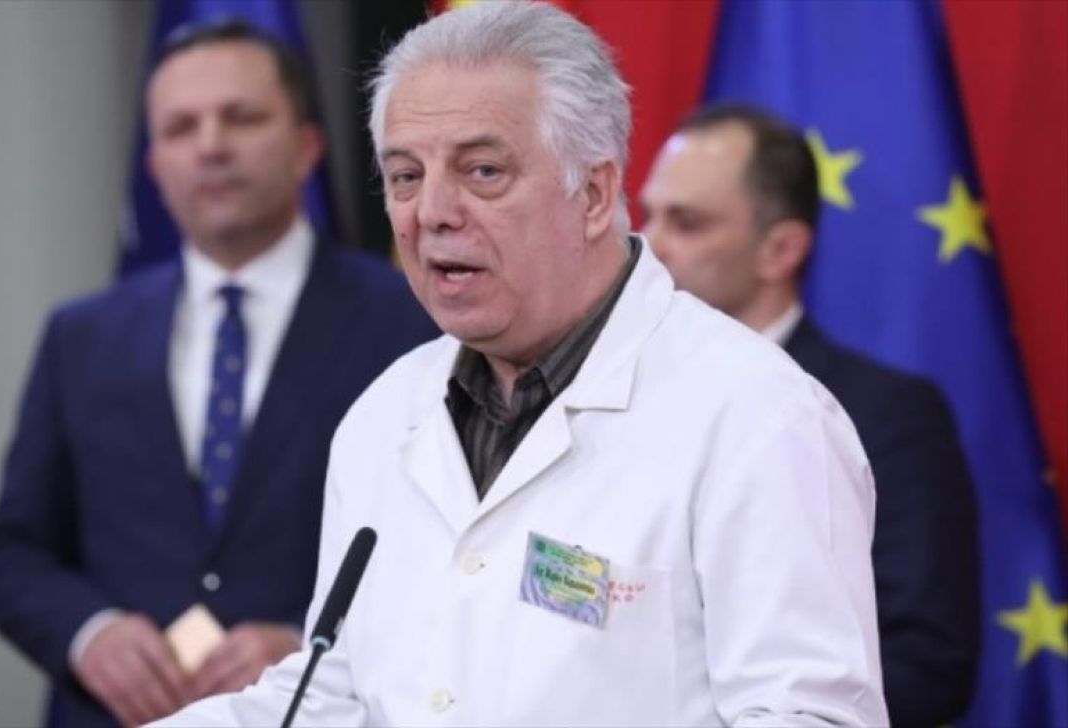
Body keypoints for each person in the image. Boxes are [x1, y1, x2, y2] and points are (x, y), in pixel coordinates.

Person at [153, 3, 889, 726]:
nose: (431, 212)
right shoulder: (384, 413)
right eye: (405, 176)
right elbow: (337, 694)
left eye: (482, 171)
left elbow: (812, 717)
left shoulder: (758, 416)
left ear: (593, 193)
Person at [0, 19, 436, 728]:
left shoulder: (412, 323)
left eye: (241, 117)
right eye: (181, 127)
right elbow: (12, 553)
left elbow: (451, 555)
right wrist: (90, 634)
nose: (211, 145)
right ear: (154, 164)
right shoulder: (81, 336)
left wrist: (311, 644)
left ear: (306, 147)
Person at [639, 103, 980, 726]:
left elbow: (926, 661)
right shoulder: (614, 397)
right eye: (648, 216)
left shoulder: (887, 414)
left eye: (685, 223)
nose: (648, 247)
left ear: (781, 250)